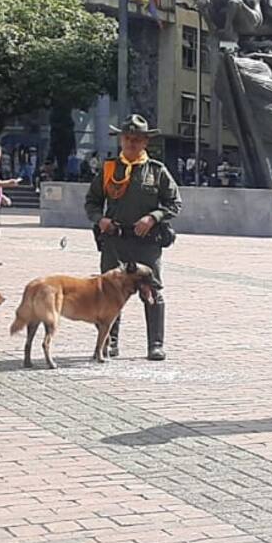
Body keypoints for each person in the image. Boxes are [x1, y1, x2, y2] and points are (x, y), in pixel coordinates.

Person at [84, 115, 182, 361]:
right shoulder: (109, 168)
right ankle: (109, 342)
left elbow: (174, 203)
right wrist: (100, 219)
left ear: (145, 142)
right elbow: (92, 201)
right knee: (108, 291)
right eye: (127, 138)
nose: (131, 143)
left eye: (137, 139)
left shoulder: (156, 171)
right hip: (115, 240)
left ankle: (155, 345)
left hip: (146, 242)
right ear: (121, 140)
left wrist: (153, 217)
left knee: (152, 290)